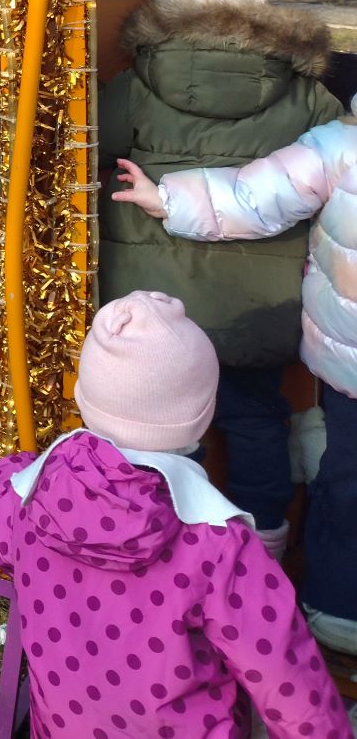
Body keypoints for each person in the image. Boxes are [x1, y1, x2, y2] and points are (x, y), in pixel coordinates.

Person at [0, 291, 347, 738]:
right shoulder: (220, 546)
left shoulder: (29, 502)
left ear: (85, 398)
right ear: (202, 416)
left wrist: (14, 468)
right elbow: (289, 683)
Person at [99, 0, 345, 562]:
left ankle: (160, 546)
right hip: (260, 301)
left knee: (158, 430)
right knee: (257, 418)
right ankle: (262, 542)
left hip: (155, 300)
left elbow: (89, 149)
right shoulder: (306, 92)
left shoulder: (135, 84)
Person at [116, 107, 357, 659]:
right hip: (349, 363)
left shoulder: (340, 144)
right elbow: (257, 195)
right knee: (348, 479)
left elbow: (257, 195)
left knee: (344, 477)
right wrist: (169, 200)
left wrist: (167, 199)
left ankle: (329, 597)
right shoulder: (342, 145)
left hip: (342, 356)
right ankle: (338, 605)